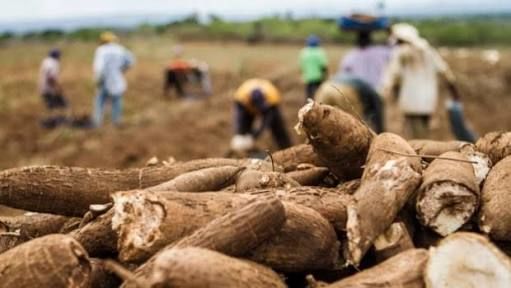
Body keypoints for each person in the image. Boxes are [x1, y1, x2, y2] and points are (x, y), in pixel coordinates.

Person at [382, 23, 475, 141]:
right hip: (428, 100)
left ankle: (421, 157)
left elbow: (393, 75)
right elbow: (444, 71)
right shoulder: (428, 51)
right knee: (423, 131)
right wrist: (453, 91)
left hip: (410, 101)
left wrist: (386, 92)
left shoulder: (402, 53)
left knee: (416, 137)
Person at [231, 79, 292, 153]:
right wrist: (243, 134)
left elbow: (267, 120)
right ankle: (244, 151)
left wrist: (257, 133)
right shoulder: (242, 97)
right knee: (243, 127)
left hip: (270, 106)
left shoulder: (272, 97)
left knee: (278, 129)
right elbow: (239, 119)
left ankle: (287, 149)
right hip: (245, 106)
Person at [92, 31, 134, 127]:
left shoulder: (101, 50)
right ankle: (116, 121)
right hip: (116, 79)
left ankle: (97, 122)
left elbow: (99, 67)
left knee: (100, 101)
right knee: (117, 101)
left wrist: (97, 79)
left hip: (104, 79)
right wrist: (122, 70)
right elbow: (131, 61)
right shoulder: (120, 49)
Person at [39, 48, 68, 128]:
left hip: (43, 88)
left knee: (51, 105)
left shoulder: (46, 61)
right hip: (50, 89)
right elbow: (51, 78)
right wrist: (57, 88)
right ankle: (55, 121)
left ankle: (52, 120)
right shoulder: (53, 63)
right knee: (61, 104)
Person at [299, 35, 328, 101]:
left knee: (309, 95)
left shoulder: (303, 52)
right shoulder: (320, 52)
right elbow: (323, 66)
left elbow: (301, 66)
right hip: (318, 77)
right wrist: (325, 76)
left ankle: (308, 107)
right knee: (319, 94)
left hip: (307, 77)